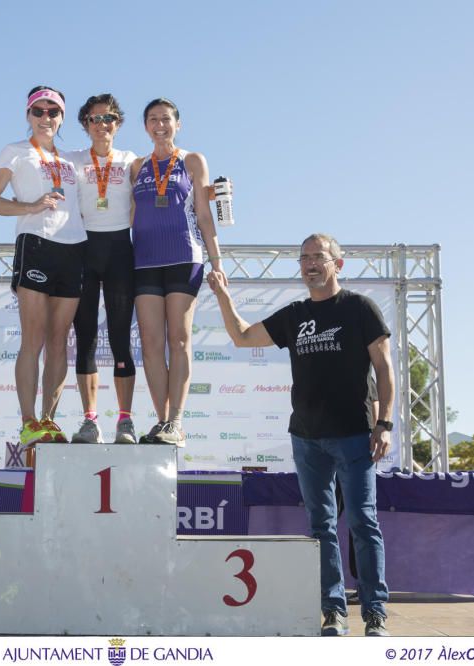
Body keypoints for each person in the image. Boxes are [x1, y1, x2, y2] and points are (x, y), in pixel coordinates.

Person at [207, 233, 394, 637]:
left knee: (363, 521)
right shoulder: (294, 315)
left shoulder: (360, 308)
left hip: (355, 435)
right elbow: (242, 337)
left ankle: (375, 611)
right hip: (306, 438)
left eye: (319, 257)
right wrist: (222, 294)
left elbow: (384, 368)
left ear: (337, 264)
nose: (310, 264)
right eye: (304, 258)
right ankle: (333, 610)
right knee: (321, 525)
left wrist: (385, 424)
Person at [0, 85, 84, 447]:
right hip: (36, 245)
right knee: (34, 339)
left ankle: (49, 420)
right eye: (38, 111)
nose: (45, 118)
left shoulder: (75, 158)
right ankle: (28, 421)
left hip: (74, 249)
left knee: (59, 342)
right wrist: (30, 206)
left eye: (52, 112)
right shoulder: (16, 151)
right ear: (28, 115)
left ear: (61, 117)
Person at [129, 98, 224, 446]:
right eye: (152, 119)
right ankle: (162, 421)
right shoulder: (136, 166)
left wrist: (218, 262)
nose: (160, 125)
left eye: (166, 119)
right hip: (143, 260)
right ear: (145, 126)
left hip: (185, 257)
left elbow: (203, 213)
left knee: (178, 340)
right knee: (151, 344)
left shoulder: (192, 160)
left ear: (177, 124)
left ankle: (178, 421)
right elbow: (126, 215)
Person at [68, 93, 138, 444]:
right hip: (83, 249)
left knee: (121, 337)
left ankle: (125, 420)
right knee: (85, 339)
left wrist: (208, 193)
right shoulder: (73, 160)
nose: (102, 125)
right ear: (85, 124)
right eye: (95, 119)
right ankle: (90, 420)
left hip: (119, 250)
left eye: (109, 118)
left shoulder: (130, 161)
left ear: (118, 124)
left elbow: (166, 181)